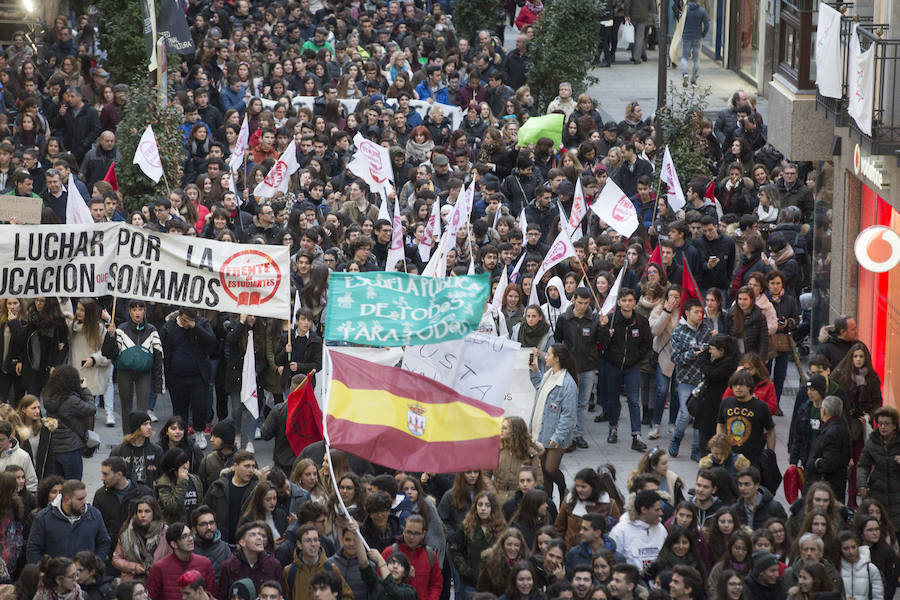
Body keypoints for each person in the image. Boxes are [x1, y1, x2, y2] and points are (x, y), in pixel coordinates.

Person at [599, 288, 652, 451]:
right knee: (613, 400)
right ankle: (613, 429)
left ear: (634, 302)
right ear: (619, 302)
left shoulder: (641, 321)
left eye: (630, 300)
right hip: (613, 366)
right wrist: (604, 331)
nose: (627, 303)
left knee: (633, 401)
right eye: (624, 300)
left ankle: (636, 435)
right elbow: (601, 344)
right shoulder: (610, 319)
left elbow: (647, 343)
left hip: (632, 366)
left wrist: (636, 357)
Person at [101, 300, 164, 431]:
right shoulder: (121, 329)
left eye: (140, 309)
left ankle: (142, 439)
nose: (137, 313)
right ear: (129, 312)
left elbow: (158, 358)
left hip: (144, 374)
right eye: (134, 310)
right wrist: (110, 335)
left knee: (143, 410)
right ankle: (128, 439)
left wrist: (158, 384)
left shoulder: (152, 330)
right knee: (126, 409)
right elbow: (108, 353)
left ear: (145, 312)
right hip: (125, 373)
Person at [552, 288, 601, 451]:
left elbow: (602, 341)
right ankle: (568, 435)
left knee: (583, 402)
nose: (583, 306)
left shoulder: (594, 319)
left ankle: (578, 434)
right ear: (573, 300)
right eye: (580, 302)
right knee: (568, 402)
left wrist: (605, 328)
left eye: (586, 303)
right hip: (570, 367)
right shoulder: (564, 319)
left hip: (588, 366)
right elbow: (557, 341)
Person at [529, 343, 578, 503]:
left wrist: (557, 436)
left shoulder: (568, 384)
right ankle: (548, 502)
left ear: (557, 359)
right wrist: (535, 372)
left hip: (556, 436)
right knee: (543, 472)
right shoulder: (548, 374)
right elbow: (539, 388)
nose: (545, 356)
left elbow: (568, 415)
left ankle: (564, 489)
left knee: (550, 469)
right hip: (541, 432)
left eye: (548, 354)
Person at [159, 307, 216, 442]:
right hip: (176, 377)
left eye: (191, 320)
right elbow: (163, 352)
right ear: (180, 316)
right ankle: (181, 435)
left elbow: (211, 341)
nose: (187, 324)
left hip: (198, 376)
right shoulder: (169, 328)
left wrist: (195, 327)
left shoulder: (202, 323)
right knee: (179, 410)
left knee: (200, 406)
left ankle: (199, 432)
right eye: (185, 320)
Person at [26, 480, 111, 563]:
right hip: (57, 575)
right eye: (80, 499)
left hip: (87, 575)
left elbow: (104, 542)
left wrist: (95, 564)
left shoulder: (94, 515)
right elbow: (33, 550)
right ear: (66, 500)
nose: (84, 502)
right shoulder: (43, 518)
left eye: (84, 498)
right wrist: (44, 572)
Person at [668, 298, 711, 460]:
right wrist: (692, 354)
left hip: (703, 379)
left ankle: (696, 449)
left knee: (700, 415)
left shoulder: (706, 330)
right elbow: (675, 357)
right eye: (696, 311)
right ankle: (676, 439)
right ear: (686, 313)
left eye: (701, 312)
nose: (699, 315)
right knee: (686, 414)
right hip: (686, 379)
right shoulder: (678, 332)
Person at [41, 364, 95, 480]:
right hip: (71, 448)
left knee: (57, 486)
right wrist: (85, 389)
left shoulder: (48, 396)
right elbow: (91, 409)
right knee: (72, 486)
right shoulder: (72, 401)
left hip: (54, 448)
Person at [93, 456, 154, 557]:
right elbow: (97, 525)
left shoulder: (144, 492)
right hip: (112, 552)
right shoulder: (100, 495)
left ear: (119, 475)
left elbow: (155, 520)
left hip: (141, 550)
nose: (102, 478)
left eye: (106, 474)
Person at [451, 490, 507, 596]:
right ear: (475, 507)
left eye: (487, 505)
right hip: (470, 582)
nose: (483, 508)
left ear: (493, 508)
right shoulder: (466, 527)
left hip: (495, 582)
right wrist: (466, 570)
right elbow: (455, 549)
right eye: (480, 505)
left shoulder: (502, 528)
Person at [717, 370, 776, 466]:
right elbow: (720, 425)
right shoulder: (726, 402)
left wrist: (770, 454)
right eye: (735, 385)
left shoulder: (761, 406)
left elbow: (771, 430)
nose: (738, 388)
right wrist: (721, 446)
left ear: (749, 386)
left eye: (742, 385)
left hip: (753, 459)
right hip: (730, 456)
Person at [145, 522, 216, 600]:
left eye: (190, 534)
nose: (191, 539)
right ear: (174, 544)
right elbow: (149, 597)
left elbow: (210, 594)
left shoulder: (205, 563)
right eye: (184, 536)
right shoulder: (159, 568)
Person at [282, 524, 354, 600]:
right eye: (308, 541)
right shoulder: (289, 571)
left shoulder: (331, 568)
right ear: (299, 544)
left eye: (316, 540)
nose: (313, 544)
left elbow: (348, 596)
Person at [202, 450, 259, 544]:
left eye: (253, 466)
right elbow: (205, 510)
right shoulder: (218, 486)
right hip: (221, 541)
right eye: (247, 466)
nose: (251, 470)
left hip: (248, 542)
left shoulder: (257, 489)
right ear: (235, 466)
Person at [857, 406, 900, 528]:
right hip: (878, 491)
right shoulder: (873, 441)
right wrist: (862, 483)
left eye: (886, 424)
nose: (883, 427)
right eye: (880, 424)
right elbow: (863, 465)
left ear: (895, 425)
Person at [803, 396, 851, 502]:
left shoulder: (832, 432)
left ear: (823, 411)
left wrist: (813, 463)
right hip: (835, 484)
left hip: (826, 487)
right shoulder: (841, 427)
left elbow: (830, 462)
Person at [217, 521, 283, 599]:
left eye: (260, 534)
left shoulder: (273, 565)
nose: (259, 538)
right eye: (253, 535)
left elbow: (281, 596)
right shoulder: (228, 566)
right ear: (242, 542)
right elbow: (222, 597)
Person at [112, 496, 172, 580]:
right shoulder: (127, 532)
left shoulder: (165, 531)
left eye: (147, 511)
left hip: (159, 579)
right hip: (132, 581)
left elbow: (172, 559)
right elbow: (116, 559)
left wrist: (156, 569)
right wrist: (135, 567)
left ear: (154, 512)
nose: (142, 515)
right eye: (139, 511)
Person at [609, 489, 667, 569]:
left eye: (661, 509)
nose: (661, 513)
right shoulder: (620, 531)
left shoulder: (661, 529)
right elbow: (612, 561)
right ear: (644, 510)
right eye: (657, 510)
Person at [110, 411, 163, 486]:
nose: (149, 427)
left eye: (149, 424)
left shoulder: (156, 450)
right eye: (145, 424)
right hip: (126, 494)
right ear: (136, 427)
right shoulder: (118, 451)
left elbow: (161, 477)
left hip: (149, 494)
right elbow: (111, 475)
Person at [155, 448, 205, 525]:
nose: (185, 466)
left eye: (186, 461)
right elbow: (173, 507)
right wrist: (182, 482)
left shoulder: (195, 479)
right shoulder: (163, 483)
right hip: (175, 527)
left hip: (194, 526)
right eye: (181, 464)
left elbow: (200, 504)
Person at [477, 528, 530, 595]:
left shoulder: (527, 561)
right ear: (502, 544)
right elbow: (482, 590)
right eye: (509, 544)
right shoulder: (490, 561)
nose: (513, 548)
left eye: (516, 545)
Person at [190, 505, 232, 583]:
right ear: (194, 529)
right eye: (203, 524)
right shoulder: (189, 549)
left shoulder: (224, 548)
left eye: (211, 523)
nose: (209, 527)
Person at [838, 531, 883, 600]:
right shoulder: (837, 567)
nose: (851, 552)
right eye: (846, 549)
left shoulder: (870, 568)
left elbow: (878, 595)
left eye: (853, 547)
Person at [680, 0, 709, 86]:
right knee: (696, 59)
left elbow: (680, 22)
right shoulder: (702, 11)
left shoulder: (685, 11)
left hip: (686, 36)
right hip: (697, 37)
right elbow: (706, 25)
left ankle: (685, 73)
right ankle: (693, 78)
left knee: (684, 57)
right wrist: (702, 35)